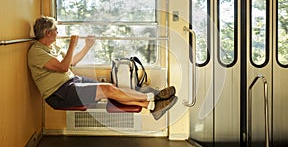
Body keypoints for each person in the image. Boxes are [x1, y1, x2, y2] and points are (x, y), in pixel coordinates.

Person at [27, 16, 177, 120]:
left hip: (71, 82)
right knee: (108, 89)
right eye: (55, 31)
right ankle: (153, 97)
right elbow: (64, 67)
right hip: (58, 94)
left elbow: (71, 62)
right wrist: (72, 44)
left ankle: (151, 106)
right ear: (48, 33)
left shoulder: (52, 47)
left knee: (111, 88)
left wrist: (87, 46)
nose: (57, 33)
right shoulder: (36, 52)